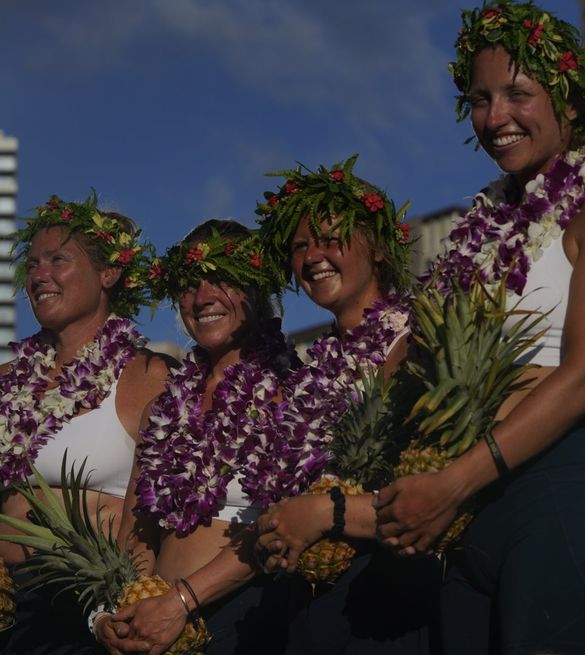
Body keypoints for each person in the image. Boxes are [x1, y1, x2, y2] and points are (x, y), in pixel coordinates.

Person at [374, 3, 585, 653]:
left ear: (571, 103)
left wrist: (453, 480)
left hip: (553, 492)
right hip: (467, 519)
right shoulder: (479, 238)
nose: (495, 117)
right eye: (480, 98)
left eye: (518, 94)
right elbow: (406, 368)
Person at [0, 192, 172, 654]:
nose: (39, 276)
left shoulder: (145, 375)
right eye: (32, 264)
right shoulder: (6, 380)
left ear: (109, 273)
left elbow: (151, 523)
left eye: (58, 260)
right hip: (0, 607)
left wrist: (130, 610)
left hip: (90, 610)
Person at [252, 155, 438, 654]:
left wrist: (325, 514)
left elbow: (434, 484)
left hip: (391, 598)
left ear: (377, 248)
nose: (313, 255)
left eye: (330, 238)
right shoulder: (309, 369)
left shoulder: (419, 338)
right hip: (311, 603)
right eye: (299, 246)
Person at [95, 220, 298, 655]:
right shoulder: (163, 409)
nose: (203, 297)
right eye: (189, 284)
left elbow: (285, 525)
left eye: (221, 277)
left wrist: (182, 600)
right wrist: (118, 610)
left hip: (251, 622)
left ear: (258, 284)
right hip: (158, 631)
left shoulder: (292, 390)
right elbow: (136, 534)